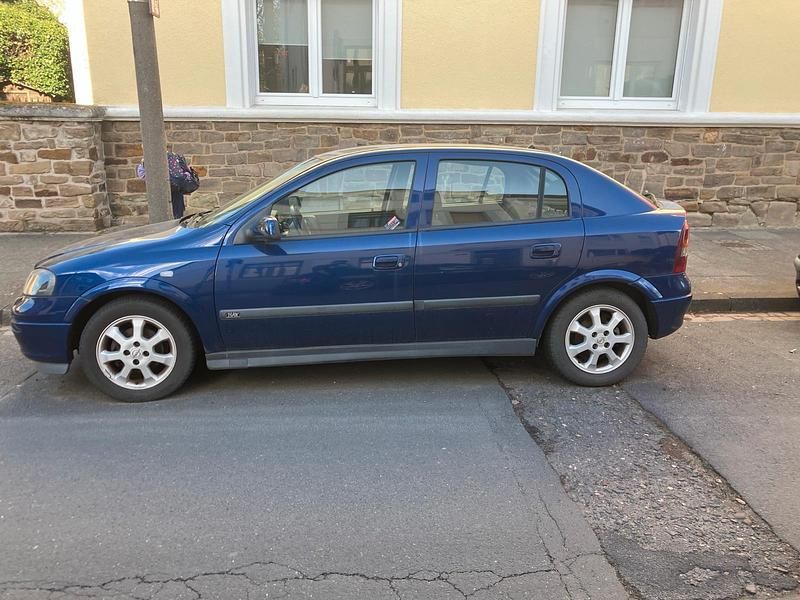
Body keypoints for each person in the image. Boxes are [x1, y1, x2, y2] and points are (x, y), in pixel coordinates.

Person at [136, 152, 200, 219]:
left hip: (164, 190)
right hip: (175, 189)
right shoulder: (174, 156)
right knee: (176, 214)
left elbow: (142, 175)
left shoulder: (152, 159)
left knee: (165, 216)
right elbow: (180, 174)